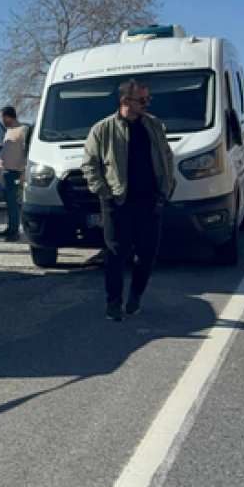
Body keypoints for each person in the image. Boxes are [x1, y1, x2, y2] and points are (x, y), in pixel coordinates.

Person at [81, 78, 175, 321]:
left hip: (150, 200)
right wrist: (103, 191)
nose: (147, 104)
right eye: (142, 100)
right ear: (125, 101)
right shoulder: (102, 129)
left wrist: (166, 188)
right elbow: (89, 164)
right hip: (118, 201)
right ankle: (113, 302)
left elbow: (167, 157)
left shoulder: (154, 126)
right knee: (116, 252)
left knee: (148, 252)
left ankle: (136, 296)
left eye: (148, 99)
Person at [0, 106, 29, 241]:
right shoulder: (8, 131)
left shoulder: (23, 130)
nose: (1, 120)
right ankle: (10, 227)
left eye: (2, 117)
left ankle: (14, 232)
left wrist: (24, 171)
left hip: (17, 172)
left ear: (8, 117)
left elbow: (27, 152)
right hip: (6, 171)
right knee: (8, 202)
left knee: (14, 202)